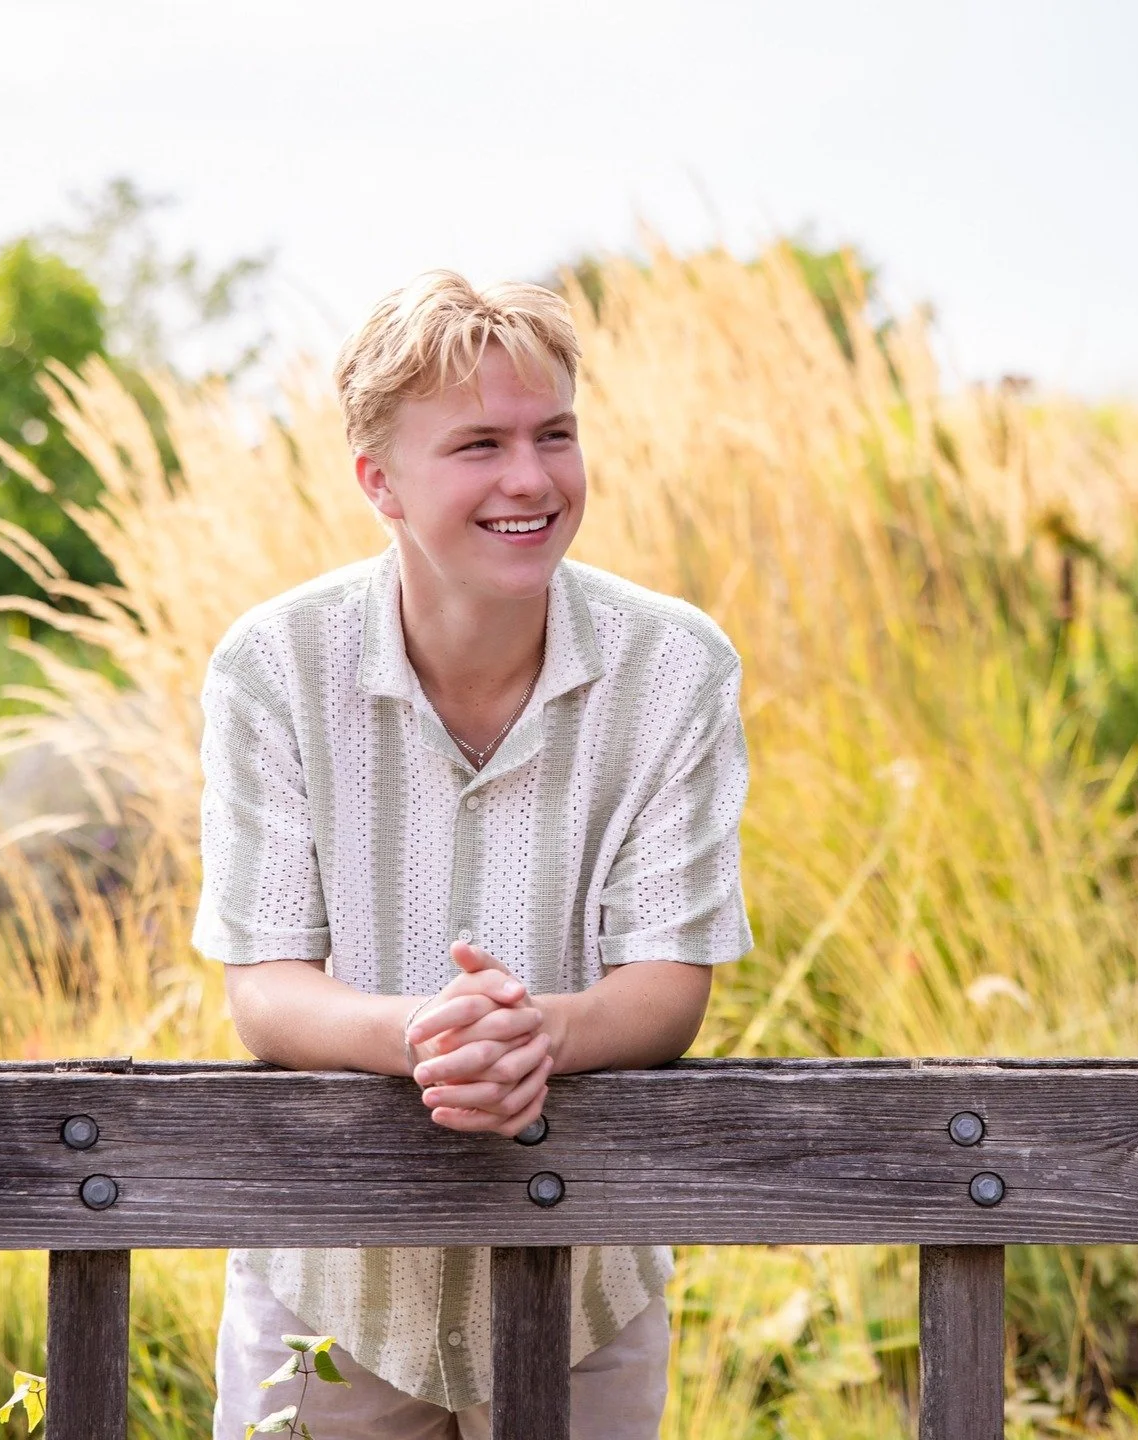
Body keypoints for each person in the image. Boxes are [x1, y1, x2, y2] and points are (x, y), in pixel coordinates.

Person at [191, 269, 754, 1439]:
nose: (531, 479)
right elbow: (266, 985)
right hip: (330, 1288)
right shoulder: (273, 668)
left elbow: (668, 983)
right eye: (480, 444)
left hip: (584, 1286)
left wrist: (537, 1034)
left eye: (556, 434)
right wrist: (429, 1039)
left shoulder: (676, 669)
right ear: (378, 482)